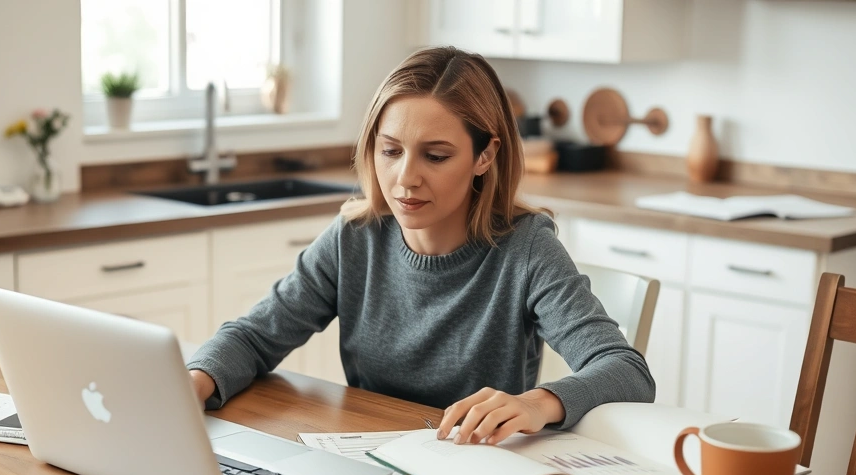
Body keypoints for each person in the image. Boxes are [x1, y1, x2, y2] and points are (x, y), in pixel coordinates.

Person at [187, 46, 654, 445]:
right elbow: (253, 336)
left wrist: (538, 403)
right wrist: (192, 383)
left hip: (475, 469)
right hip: (369, 455)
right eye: (391, 151)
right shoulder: (356, 237)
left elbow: (626, 369)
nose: (405, 179)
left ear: (485, 155)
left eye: (435, 156)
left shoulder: (526, 249)